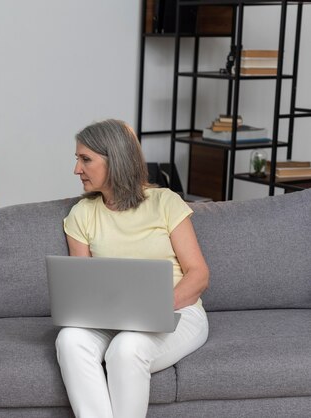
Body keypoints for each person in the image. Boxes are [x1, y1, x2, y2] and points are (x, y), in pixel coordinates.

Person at [55, 119, 209, 418]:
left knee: (126, 349)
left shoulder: (165, 202)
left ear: (115, 159)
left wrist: (153, 312)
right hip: (110, 319)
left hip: (178, 313)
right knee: (69, 339)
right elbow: (82, 287)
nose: (77, 169)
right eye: (77, 159)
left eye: (85, 159)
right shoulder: (81, 215)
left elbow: (199, 275)